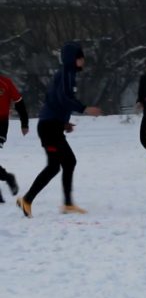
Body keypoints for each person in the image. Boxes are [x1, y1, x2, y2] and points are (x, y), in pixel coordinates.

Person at [16, 41, 103, 218]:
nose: (84, 61)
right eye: (81, 57)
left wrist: (63, 122)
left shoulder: (65, 74)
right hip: (49, 128)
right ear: (74, 59)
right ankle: (28, 200)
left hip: (52, 125)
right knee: (57, 165)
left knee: (66, 163)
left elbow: (54, 100)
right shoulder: (66, 74)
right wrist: (84, 108)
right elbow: (63, 98)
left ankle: (66, 204)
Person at [0, 74, 29, 203]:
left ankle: (8, 178)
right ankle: (8, 178)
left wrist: (24, 123)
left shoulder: (5, 82)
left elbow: (19, 102)